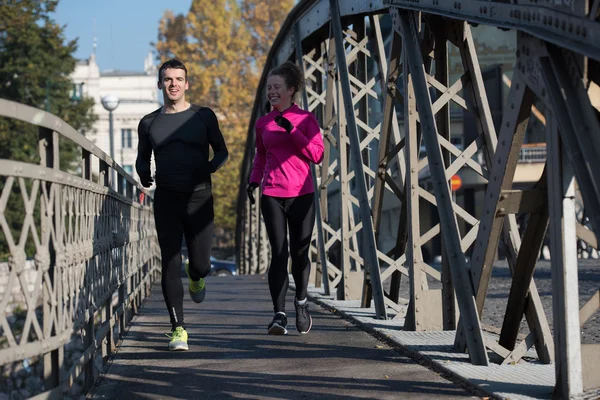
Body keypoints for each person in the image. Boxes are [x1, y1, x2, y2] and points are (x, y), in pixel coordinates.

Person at [136, 59, 228, 351]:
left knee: (201, 264)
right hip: (166, 199)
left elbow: (222, 151)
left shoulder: (203, 116)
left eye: (179, 79)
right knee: (170, 261)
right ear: (160, 84)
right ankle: (178, 328)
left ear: (187, 84)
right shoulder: (149, 122)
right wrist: (143, 173)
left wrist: (209, 168)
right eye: (167, 79)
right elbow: (142, 157)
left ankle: (197, 274)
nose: (173, 84)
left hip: (200, 197)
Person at [247, 61, 324, 335]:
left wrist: (292, 130)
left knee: (300, 253)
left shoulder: (306, 120)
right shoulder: (263, 123)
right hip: (272, 194)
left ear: (291, 90)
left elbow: (317, 155)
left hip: (302, 194)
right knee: (279, 254)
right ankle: (278, 315)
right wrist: (254, 179)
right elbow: (261, 155)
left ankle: (301, 302)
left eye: (277, 87)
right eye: (269, 87)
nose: (271, 92)